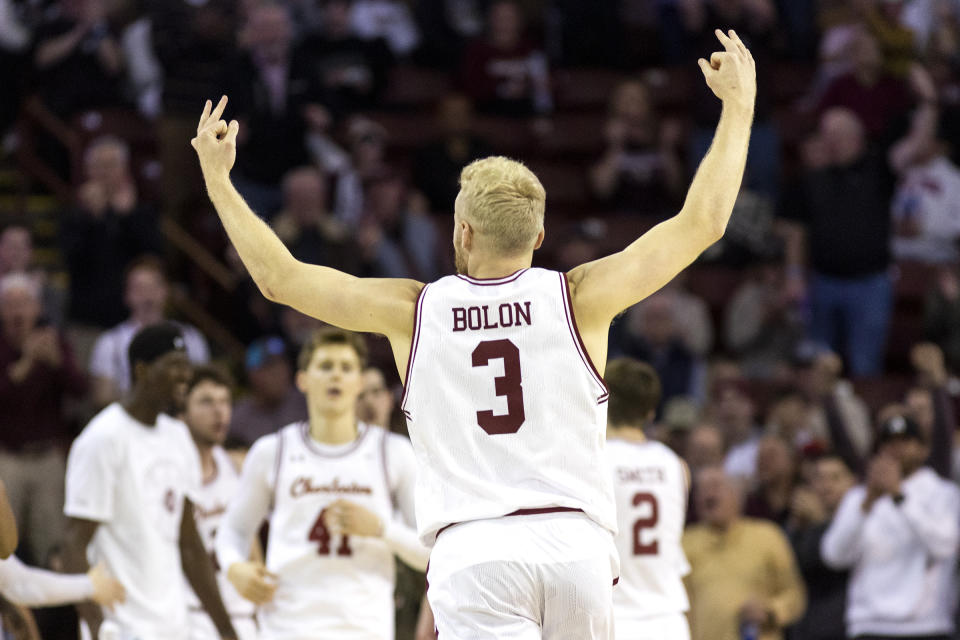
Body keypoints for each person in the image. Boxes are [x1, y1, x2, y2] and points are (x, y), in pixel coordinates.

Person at [194, 28, 756, 638]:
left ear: (461, 232)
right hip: (576, 546)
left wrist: (220, 180)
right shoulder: (579, 296)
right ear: (538, 239)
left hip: (476, 550)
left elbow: (280, 280)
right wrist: (739, 106)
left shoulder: (414, 310)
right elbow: (703, 222)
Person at [215, 328, 428, 638]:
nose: (336, 376)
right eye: (326, 366)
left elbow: (431, 554)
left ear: (359, 381)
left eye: (346, 368)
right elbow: (233, 530)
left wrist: (382, 529)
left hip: (365, 628)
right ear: (302, 380)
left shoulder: (393, 452)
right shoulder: (272, 450)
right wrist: (234, 567)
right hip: (286, 627)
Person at [63, 323, 237, 640]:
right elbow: (73, 547)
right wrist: (97, 627)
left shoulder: (178, 436)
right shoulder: (103, 438)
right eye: (174, 366)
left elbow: (190, 544)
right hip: (122, 628)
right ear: (142, 370)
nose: (185, 376)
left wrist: (226, 629)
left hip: (174, 627)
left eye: (187, 367)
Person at [821, 415, 960, 640]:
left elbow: (944, 546)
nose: (896, 449)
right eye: (889, 442)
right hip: (869, 624)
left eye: (905, 441)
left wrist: (899, 497)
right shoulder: (859, 497)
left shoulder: (944, 493)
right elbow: (834, 556)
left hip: (926, 625)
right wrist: (867, 505)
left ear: (923, 449)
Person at [0, 273, 87, 564]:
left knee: (53, 546)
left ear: (37, 308)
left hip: (47, 457)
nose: (18, 312)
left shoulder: (53, 341)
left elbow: (80, 389)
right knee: (3, 547)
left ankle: (55, 607)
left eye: (24, 303)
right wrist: (25, 363)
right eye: (10, 305)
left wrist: (57, 363)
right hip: (6, 458)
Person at [604, 358, 691, 640]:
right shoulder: (677, 466)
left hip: (614, 617)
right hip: (669, 620)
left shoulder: (593, 460)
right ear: (651, 412)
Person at [683, 467, 806, 640]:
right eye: (701, 490)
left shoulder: (767, 535)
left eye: (715, 486)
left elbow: (795, 596)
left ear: (736, 494)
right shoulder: (685, 543)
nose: (707, 494)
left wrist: (770, 611)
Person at [181, 366, 258, 640]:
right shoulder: (169, 472)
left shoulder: (237, 466)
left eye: (225, 402)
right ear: (183, 411)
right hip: (190, 614)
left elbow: (252, 547)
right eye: (206, 402)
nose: (219, 411)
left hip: (241, 614)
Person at [88, 256, 210, 408]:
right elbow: (102, 398)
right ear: (127, 296)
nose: (147, 296)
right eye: (139, 289)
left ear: (166, 291)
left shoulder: (191, 337)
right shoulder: (109, 342)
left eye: (154, 287)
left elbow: (203, 389)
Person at [787, 453, 856, 640]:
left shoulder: (861, 524)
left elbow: (829, 562)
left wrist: (820, 523)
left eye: (835, 478)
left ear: (852, 483)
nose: (826, 486)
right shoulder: (799, 526)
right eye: (819, 478)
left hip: (843, 628)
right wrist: (797, 528)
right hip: (805, 628)